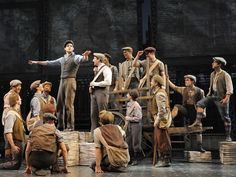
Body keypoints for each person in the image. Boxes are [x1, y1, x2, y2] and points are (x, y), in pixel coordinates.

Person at [28, 40, 91, 131]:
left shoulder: (75, 57)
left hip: (70, 80)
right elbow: (49, 62)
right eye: (67, 46)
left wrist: (85, 56)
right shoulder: (62, 59)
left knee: (68, 105)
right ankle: (60, 126)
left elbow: (82, 59)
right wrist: (36, 62)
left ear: (73, 48)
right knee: (60, 104)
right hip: (62, 80)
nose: (69, 47)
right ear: (65, 48)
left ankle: (70, 127)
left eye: (71, 46)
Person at [189, 57, 233, 142]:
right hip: (213, 96)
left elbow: (229, 88)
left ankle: (228, 136)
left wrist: (226, 98)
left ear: (219, 64)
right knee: (200, 103)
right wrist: (208, 95)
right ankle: (198, 121)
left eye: (214, 62)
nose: (212, 64)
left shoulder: (225, 75)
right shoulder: (212, 74)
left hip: (221, 98)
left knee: (225, 118)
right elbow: (211, 86)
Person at [169, 75, 206, 152]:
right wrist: (166, 78)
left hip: (195, 110)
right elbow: (174, 87)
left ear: (192, 81)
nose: (185, 81)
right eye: (185, 80)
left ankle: (199, 146)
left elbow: (203, 103)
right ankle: (170, 121)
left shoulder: (200, 91)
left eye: (187, 80)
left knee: (198, 128)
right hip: (186, 109)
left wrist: (203, 113)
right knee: (177, 106)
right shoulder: (184, 89)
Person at [151, 75, 172, 167]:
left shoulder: (160, 94)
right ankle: (163, 159)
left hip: (162, 120)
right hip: (160, 120)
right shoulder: (157, 92)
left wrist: (157, 120)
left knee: (162, 139)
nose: (151, 82)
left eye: (152, 81)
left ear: (156, 83)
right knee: (160, 139)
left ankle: (165, 160)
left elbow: (162, 110)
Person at [0, 92, 25, 170]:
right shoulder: (11, 114)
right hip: (16, 141)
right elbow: (8, 132)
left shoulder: (16, 112)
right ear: (16, 100)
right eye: (19, 98)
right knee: (15, 164)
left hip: (19, 141)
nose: (21, 100)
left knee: (17, 164)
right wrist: (13, 146)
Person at [89, 53, 112, 136]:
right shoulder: (97, 69)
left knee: (103, 115)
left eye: (94, 58)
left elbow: (108, 82)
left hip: (102, 93)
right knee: (93, 115)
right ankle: (94, 136)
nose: (93, 60)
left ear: (99, 59)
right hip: (95, 93)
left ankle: (104, 135)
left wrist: (95, 84)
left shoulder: (106, 69)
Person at [1, 79, 22, 159]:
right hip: (10, 118)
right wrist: (7, 122)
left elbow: (18, 109)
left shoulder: (17, 95)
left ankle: (13, 158)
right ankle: (8, 159)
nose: (19, 87)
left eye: (20, 86)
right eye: (18, 86)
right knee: (8, 138)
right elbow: (6, 109)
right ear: (13, 87)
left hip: (15, 117)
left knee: (14, 137)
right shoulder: (9, 95)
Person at [125, 90, 142, 165]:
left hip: (136, 125)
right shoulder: (129, 104)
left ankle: (136, 159)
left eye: (128, 94)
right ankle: (130, 158)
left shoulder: (136, 105)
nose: (126, 95)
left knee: (135, 142)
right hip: (130, 125)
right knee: (129, 141)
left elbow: (139, 117)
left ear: (131, 96)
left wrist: (129, 118)